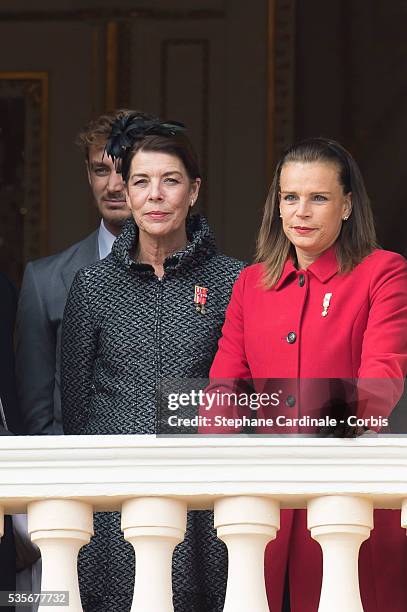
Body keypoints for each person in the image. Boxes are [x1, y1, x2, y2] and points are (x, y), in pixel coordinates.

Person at [206, 137, 407, 611]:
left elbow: (379, 385)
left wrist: (282, 415)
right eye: (290, 197)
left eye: (318, 198)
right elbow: (221, 393)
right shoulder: (251, 285)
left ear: (347, 206)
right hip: (264, 507)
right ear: (277, 206)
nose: (302, 211)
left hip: (349, 499)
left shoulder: (383, 272)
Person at [61, 113, 245, 611]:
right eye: (141, 181)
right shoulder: (93, 287)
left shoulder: (236, 282)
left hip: (205, 503)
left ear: (194, 191)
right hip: (114, 502)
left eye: (171, 181)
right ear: (128, 190)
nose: (155, 195)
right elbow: (76, 412)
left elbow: (248, 396)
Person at [15, 109, 144, 435]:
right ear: (88, 175)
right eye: (101, 170)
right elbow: (36, 417)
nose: (114, 185)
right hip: (73, 476)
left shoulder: (201, 278)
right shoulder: (44, 282)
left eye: (125, 170)